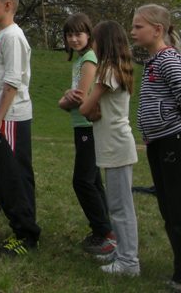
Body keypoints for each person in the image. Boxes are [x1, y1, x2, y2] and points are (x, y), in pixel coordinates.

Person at [0, 0, 41, 256]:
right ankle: (22, 227)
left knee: (14, 177)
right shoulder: (2, 35)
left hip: (10, 118)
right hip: (0, 117)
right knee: (6, 177)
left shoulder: (13, 37)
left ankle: (26, 235)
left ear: (8, 5)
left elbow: (13, 82)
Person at [79, 20, 140, 276]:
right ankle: (122, 253)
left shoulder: (107, 72)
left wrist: (79, 100)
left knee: (120, 208)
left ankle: (129, 262)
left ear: (103, 43)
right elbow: (97, 111)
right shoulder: (115, 69)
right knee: (118, 205)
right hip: (115, 144)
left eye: (94, 40)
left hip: (116, 146)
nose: (92, 44)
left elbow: (85, 108)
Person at [132, 4, 181, 287]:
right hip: (158, 143)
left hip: (173, 142)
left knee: (177, 208)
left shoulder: (169, 60)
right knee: (167, 208)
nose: (133, 31)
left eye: (139, 27)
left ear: (158, 30)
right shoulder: (154, 61)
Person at [57, 13, 115, 255]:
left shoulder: (89, 58)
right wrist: (67, 97)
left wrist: (63, 100)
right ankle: (107, 229)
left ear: (89, 34)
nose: (73, 39)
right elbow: (74, 95)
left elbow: (79, 97)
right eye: (69, 35)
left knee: (82, 181)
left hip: (87, 126)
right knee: (92, 180)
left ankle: (104, 232)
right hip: (81, 126)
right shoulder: (80, 59)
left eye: (78, 34)